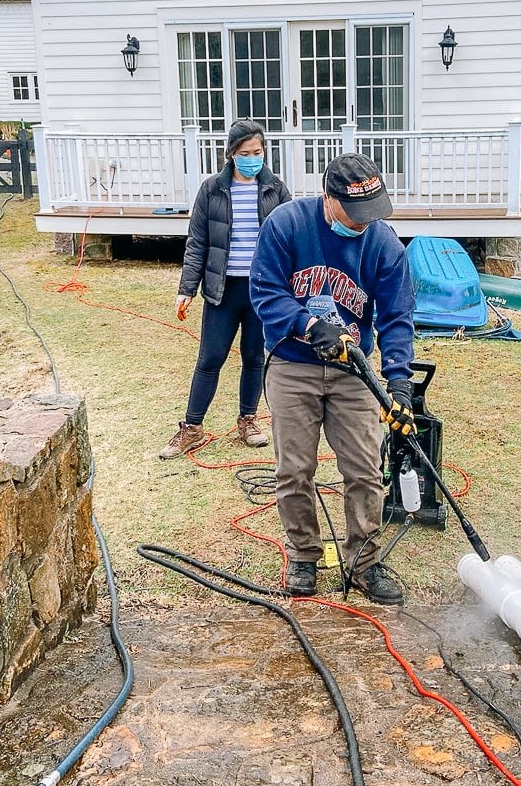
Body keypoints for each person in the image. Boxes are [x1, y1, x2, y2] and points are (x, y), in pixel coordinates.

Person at [250, 153, 416, 604]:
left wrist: (398, 382)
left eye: (371, 214)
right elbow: (264, 293)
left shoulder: (384, 244)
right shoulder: (286, 225)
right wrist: (307, 325)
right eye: (354, 214)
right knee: (294, 469)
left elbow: (398, 318)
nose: (363, 224)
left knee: (364, 469)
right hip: (292, 366)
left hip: (352, 371)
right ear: (328, 198)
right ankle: (304, 555)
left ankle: (364, 561)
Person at [159, 120, 292, 459]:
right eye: (245, 153)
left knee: (254, 357)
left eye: (257, 152)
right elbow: (197, 241)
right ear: (231, 154)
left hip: (263, 290)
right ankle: (192, 427)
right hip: (222, 289)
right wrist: (186, 288)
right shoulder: (212, 190)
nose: (252, 158)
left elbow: (292, 239)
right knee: (210, 358)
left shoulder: (276, 189)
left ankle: (248, 420)